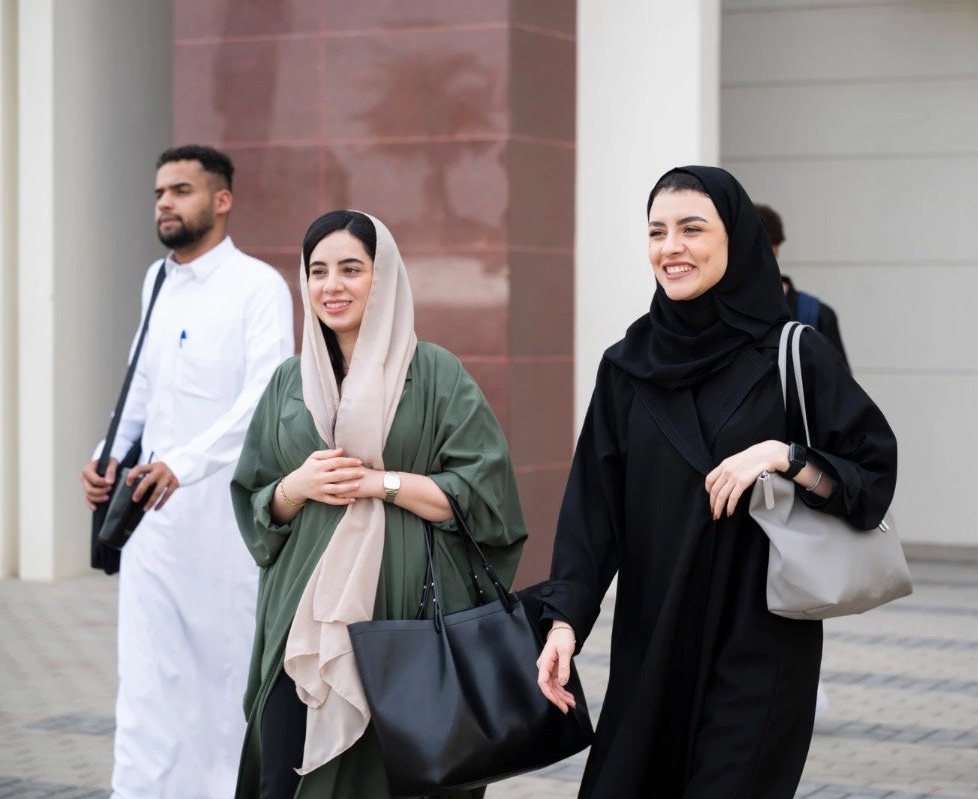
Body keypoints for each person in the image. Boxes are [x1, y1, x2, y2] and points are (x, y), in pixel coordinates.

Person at [532, 166, 897, 798]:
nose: (670, 247)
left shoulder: (795, 352)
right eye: (657, 232)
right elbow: (594, 513)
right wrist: (564, 623)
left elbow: (872, 477)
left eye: (692, 229)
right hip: (654, 640)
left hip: (760, 642)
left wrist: (786, 455)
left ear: (736, 240)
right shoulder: (626, 368)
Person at [231, 210, 527, 798]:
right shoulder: (289, 382)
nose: (331, 286)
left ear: (384, 277)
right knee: (285, 774)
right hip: (303, 624)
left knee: (398, 780)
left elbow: (484, 499)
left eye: (351, 269)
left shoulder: (437, 374)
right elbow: (259, 501)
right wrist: (300, 485)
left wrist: (379, 483)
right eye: (317, 271)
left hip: (409, 626)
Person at [79, 144, 294, 798]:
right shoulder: (157, 280)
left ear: (221, 200)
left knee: (219, 678)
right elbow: (141, 383)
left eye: (180, 191)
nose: (165, 204)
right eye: (158, 193)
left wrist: (184, 463)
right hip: (150, 519)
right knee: (145, 679)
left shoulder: (258, 288)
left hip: (223, 527)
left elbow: (263, 400)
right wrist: (107, 453)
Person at [756, 203, 849, 365]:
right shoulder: (718, 314)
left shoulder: (816, 315)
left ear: (776, 248)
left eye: (759, 246)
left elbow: (840, 387)